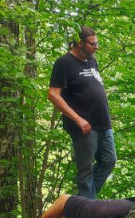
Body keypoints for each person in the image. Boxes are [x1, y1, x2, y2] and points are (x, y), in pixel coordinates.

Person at [49, 26, 116, 199]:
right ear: (79, 43)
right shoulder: (64, 63)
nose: (96, 47)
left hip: (103, 123)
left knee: (109, 161)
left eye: (97, 43)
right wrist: (78, 119)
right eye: (93, 44)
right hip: (84, 126)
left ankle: (84, 202)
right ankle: (88, 211)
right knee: (86, 170)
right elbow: (53, 95)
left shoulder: (92, 60)